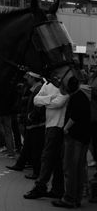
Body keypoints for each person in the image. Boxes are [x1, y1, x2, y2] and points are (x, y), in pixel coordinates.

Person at [24, 81, 69, 200]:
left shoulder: (64, 85)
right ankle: (57, 189)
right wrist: (51, 99)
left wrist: (45, 101)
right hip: (50, 125)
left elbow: (60, 102)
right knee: (56, 159)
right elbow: (36, 100)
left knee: (47, 157)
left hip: (58, 125)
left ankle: (40, 186)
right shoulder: (47, 84)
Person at [52, 77, 91, 208]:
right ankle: (77, 198)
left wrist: (65, 128)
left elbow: (74, 117)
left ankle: (69, 198)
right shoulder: (83, 96)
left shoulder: (76, 98)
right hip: (84, 137)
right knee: (79, 169)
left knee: (69, 169)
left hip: (74, 138)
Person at [6, 72, 45, 180]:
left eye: (29, 77)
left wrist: (30, 117)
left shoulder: (39, 89)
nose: (27, 78)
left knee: (35, 149)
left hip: (36, 124)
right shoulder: (34, 88)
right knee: (27, 146)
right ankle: (20, 164)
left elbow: (38, 106)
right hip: (32, 123)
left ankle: (37, 172)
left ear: (33, 78)